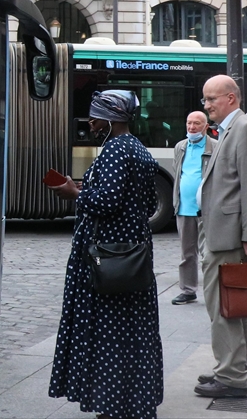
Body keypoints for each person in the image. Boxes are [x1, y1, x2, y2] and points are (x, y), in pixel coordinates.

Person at [47, 90, 163, 419]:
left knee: (107, 334)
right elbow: (148, 204)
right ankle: (130, 401)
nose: (91, 122)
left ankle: (111, 405)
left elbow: (106, 203)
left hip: (108, 260)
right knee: (131, 334)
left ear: (111, 118)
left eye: (96, 116)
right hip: (132, 257)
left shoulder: (115, 150)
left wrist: (73, 192)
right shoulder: (138, 149)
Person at [193, 75, 247, 399]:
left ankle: (231, 376)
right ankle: (231, 367)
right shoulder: (231, 130)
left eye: (211, 99)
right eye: (205, 100)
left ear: (231, 98)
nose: (207, 105)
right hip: (219, 234)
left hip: (228, 238)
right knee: (231, 307)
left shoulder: (244, 129)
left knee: (224, 309)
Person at [170, 110, 215, 306]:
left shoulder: (215, 146)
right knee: (187, 253)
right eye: (189, 123)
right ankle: (188, 290)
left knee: (209, 253)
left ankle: (213, 291)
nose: (191, 127)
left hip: (207, 209)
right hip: (184, 208)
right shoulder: (180, 147)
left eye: (196, 123)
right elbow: (178, 172)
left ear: (206, 127)